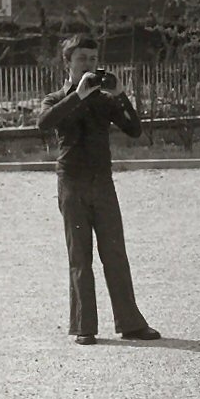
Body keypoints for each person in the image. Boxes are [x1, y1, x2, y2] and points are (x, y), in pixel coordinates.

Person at [37, 34, 160, 346]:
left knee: (115, 253)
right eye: (82, 59)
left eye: (93, 59)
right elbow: (44, 122)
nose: (89, 65)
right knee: (80, 255)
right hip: (72, 183)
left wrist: (120, 94)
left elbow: (134, 129)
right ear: (67, 62)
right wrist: (77, 95)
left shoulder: (105, 102)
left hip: (102, 182)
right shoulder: (57, 99)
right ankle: (83, 326)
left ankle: (130, 323)